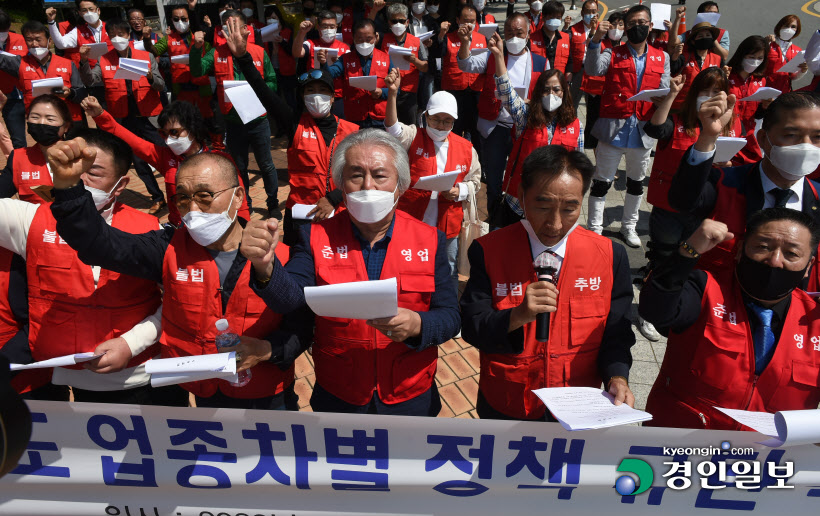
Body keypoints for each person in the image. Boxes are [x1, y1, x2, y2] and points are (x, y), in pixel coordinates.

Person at [48, 139, 310, 410]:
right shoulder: (168, 247)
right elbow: (99, 244)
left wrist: (266, 350)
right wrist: (68, 189)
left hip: (266, 395)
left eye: (205, 196)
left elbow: (302, 325)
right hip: (204, 392)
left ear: (237, 197)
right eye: (183, 198)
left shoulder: (283, 254)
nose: (193, 210)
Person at [241, 129, 461, 415]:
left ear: (401, 185)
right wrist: (264, 264)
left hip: (409, 393)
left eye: (380, 175)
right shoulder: (315, 237)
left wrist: (419, 325)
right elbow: (292, 299)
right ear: (341, 185)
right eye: (356, 175)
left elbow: (450, 316)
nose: (367, 186)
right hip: (339, 392)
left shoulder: (429, 239)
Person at [0, 129, 186, 405]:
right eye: (73, 168)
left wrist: (131, 343)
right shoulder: (31, 219)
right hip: (76, 380)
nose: (80, 178)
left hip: (145, 374)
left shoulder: (151, 230)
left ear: (120, 185)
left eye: (94, 172)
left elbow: (176, 301)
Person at [461, 145, 635, 421]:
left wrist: (618, 376)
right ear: (521, 196)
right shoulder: (488, 250)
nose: (554, 224)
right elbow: (472, 327)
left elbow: (617, 333)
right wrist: (517, 316)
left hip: (576, 406)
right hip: (508, 403)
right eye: (542, 206)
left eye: (569, 209)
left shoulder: (610, 256)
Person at [639, 212, 820, 430]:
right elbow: (656, 310)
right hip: (682, 445)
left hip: (770, 456)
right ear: (740, 249)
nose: (774, 261)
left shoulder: (815, 319)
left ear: (808, 265)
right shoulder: (705, 289)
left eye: (791, 253)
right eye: (763, 247)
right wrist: (688, 252)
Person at [669, 91, 820, 287]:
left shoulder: (817, 197)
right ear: (764, 139)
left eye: (817, 137)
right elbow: (682, 200)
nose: (806, 146)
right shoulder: (724, 182)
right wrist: (708, 137)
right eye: (791, 135)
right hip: (716, 307)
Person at [82, 95, 250, 226]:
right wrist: (100, 115)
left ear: (192, 128)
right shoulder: (164, 157)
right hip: (180, 227)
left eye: (175, 132)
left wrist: (243, 227)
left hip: (213, 228)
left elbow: (239, 200)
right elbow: (127, 137)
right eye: (164, 133)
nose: (169, 139)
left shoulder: (221, 160)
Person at [584, 4, 670, 248]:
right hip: (612, 130)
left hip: (642, 132)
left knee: (635, 182)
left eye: (642, 23)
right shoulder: (613, 53)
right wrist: (596, 39)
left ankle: (629, 226)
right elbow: (592, 69)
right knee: (602, 182)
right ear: (625, 28)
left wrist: (664, 95)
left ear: (650, 26)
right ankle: (594, 228)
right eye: (632, 24)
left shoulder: (661, 57)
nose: (637, 28)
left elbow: (664, 88)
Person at [385, 71, 481, 287]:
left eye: (447, 121)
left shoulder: (466, 148)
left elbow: (475, 180)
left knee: (447, 268)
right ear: (425, 116)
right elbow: (392, 129)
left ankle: (448, 311)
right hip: (413, 217)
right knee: (407, 263)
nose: (440, 126)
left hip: (447, 223)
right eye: (436, 119)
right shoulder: (413, 136)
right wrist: (392, 94)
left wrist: (460, 191)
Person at [191, 10, 281, 219]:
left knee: (266, 164)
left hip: (258, 120)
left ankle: (273, 203)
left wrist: (254, 90)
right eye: (224, 26)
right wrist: (196, 49)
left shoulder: (258, 51)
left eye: (233, 25)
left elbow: (272, 82)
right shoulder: (215, 53)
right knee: (240, 166)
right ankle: (245, 205)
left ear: (244, 29)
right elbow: (197, 71)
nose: (228, 30)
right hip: (233, 121)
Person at [457, 15, 548, 216]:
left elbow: (548, 94)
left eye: (519, 33)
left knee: (523, 176)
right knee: (494, 178)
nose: (514, 38)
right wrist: (465, 43)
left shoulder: (541, 62)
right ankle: (494, 217)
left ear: (528, 34)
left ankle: (519, 215)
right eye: (509, 33)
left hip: (525, 129)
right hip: (495, 127)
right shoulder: (492, 55)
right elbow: (465, 64)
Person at [79, 18, 167, 215]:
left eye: (121, 34)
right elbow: (90, 80)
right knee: (140, 162)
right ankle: (158, 197)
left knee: (166, 155)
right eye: (113, 35)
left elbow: (161, 85)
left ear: (128, 36)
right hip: (125, 119)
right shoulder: (104, 59)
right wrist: (84, 61)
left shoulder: (145, 56)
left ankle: (180, 193)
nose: (117, 38)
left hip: (149, 116)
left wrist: (150, 76)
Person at [496, 65, 583, 225]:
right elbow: (506, 93)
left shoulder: (576, 125)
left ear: (564, 92)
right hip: (519, 204)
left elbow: (578, 169)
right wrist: (498, 57)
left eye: (556, 90)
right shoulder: (525, 117)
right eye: (546, 90)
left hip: (553, 207)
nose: (551, 94)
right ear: (538, 92)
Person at [143, 3, 223, 150]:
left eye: (184, 18)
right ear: (171, 20)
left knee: (210, 119)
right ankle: (193, 147)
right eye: (176, 18)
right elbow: (154, 51)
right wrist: (147, 39)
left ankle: (218, 147)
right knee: (185, 120)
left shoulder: (200, 36)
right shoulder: (168, 38)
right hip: (182, 88)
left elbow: (212, 56)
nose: (180, 22)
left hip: (201, 86)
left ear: (189, 19)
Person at [0, 20, 86, 125]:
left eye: (38, 39)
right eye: (29, 40)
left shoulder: (68, 64)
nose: (34, 44)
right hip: (40, 124)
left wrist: (70, 93)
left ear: (49, 41)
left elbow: (81, 93)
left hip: (69, 120)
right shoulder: (19, 63)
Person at [0, 95, 73, 204]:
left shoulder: (82, 157)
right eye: (35, 117)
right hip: (36, 220)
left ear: (66, 126)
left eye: (50, 119)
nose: (41, 122)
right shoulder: (18, 158)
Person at [322, 19, 390, 129]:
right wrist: (324, 63)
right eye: (360, 40)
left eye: (369, 39)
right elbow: (330, 74)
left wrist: (382, 92)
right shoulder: (345, 59)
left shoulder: (386, 58)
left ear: (376, 37)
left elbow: (397, 89)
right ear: (353, 38)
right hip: (355, 118)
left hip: (379, 118)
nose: (365, 44)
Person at [46, 1, 113, 103]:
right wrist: (51, 22)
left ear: (98, 10)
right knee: (101, 110)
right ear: (80, 13)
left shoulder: (111, 27)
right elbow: (61, 44)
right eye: (84, 10)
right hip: (94, 79)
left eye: (91, 9)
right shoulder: (78, 31)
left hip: (113, 75)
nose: (89, 13)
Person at [291, 10, 351, 118]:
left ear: (337, 27)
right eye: (325, 26)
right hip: (315, 96)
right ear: (318, 27)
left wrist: (341, 63)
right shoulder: (310, 44)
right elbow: (297, 52)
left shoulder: (345, 48)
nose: (329, 30)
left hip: (337, 96)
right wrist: (302, 32)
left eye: (332, 26)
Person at [440, 5, 486, 141]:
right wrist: (441, 35)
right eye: (466, 20)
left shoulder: (482, 39)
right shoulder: (448, 38)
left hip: (476, 91)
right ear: (458, 20)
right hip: (454, 92)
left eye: (473, 21)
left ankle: (479, 160)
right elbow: (436, 55)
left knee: (477, 132)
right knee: (454, 131)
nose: (469, 24)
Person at [580, 10, 623, 151]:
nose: (617, 28)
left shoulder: (624, 46)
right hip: (596, 93)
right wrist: (595, 33)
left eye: (621, 24)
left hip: (614, 95)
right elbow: (589, 46)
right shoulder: (599, 42)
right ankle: (596, 154)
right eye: (614, 24)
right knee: (594, 124)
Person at [380, 3, 428, 126]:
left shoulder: (416, 41)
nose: (398, 24)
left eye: (401, 21)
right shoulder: (382, 39)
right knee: (390, 127)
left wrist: (414, 60)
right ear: (389, 23)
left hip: (409, 94)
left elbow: (426, 66)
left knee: (409, 128)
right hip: (388, 91)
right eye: (394, 21)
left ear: (407, 22)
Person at [727, 35, 770, 164]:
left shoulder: (761, 81)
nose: (755, 62)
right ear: (742, 55)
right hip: (727, 134)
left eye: (760, 58)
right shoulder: (726, 75)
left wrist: (765, 107)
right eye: (751, 57)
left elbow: (757, 114)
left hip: (748, 137)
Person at [668, 21, 723, 111]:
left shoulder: (718, 59)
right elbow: (672, 69)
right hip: (680, 107)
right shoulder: (684, 56)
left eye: (708, 35)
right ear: (693, 41)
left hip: (705, 107)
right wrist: (675, 56)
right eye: (700, 36)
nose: (705, 38)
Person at [0, 9, 28, 150]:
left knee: (44, 134)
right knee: (18, 141)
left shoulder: (20, 40)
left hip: (29, 94)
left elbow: (20, 65)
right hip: (8, 98)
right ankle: (21, 169)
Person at [566, 0, 598, 110]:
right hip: (578, 71)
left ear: (597, 13)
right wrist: (568, 71)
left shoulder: (602, 30)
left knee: (593, 105)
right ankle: (572, 125)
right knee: (572, 102)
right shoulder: (573, 29)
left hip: (595, 72)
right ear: (582, 13)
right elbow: (567, 51)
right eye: (588, 12)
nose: (591, 15)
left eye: (593, 12)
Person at [766, 15, 809, 94]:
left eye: (793, 27)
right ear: (780, 26)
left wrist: (803, 71)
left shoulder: (797, 51)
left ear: (797, 30)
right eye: (786, 25)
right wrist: (765, 42)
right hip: (764, 89)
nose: (789, 29)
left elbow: (792, 76)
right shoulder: (769, 43)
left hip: (784, 92)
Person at [528, 1, 569, 74]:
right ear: (543, 18)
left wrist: (568, 80)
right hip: (538, 81)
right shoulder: (531, 39)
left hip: (558, 81)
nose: (555, 20)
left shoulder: (566, 38)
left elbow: (570, 61)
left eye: (558, 17)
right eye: (551, 17)